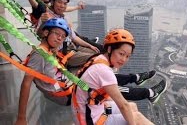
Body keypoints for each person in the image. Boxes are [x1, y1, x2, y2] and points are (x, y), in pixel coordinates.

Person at [15, 19, 165, 125]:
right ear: (46, 32)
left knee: (124, 100)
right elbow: (26, 84)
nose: (60, 39)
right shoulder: (40, 53)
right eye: (56, 34)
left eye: (62, 36)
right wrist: (22, 117)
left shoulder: (49, 50)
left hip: (70, 88)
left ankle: (139, 81)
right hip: (66, 95)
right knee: (121, 100)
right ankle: (148, 92)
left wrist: (54, 49)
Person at [72, 29, 166, 124]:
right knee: (136, 117)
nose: (123, 59)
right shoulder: (104, 71)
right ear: (109, 49)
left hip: (85, 110)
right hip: (88, 120)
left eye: (127, 56)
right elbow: (123, 106)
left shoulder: (97, 59)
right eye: (121, 54)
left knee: (132, 106)